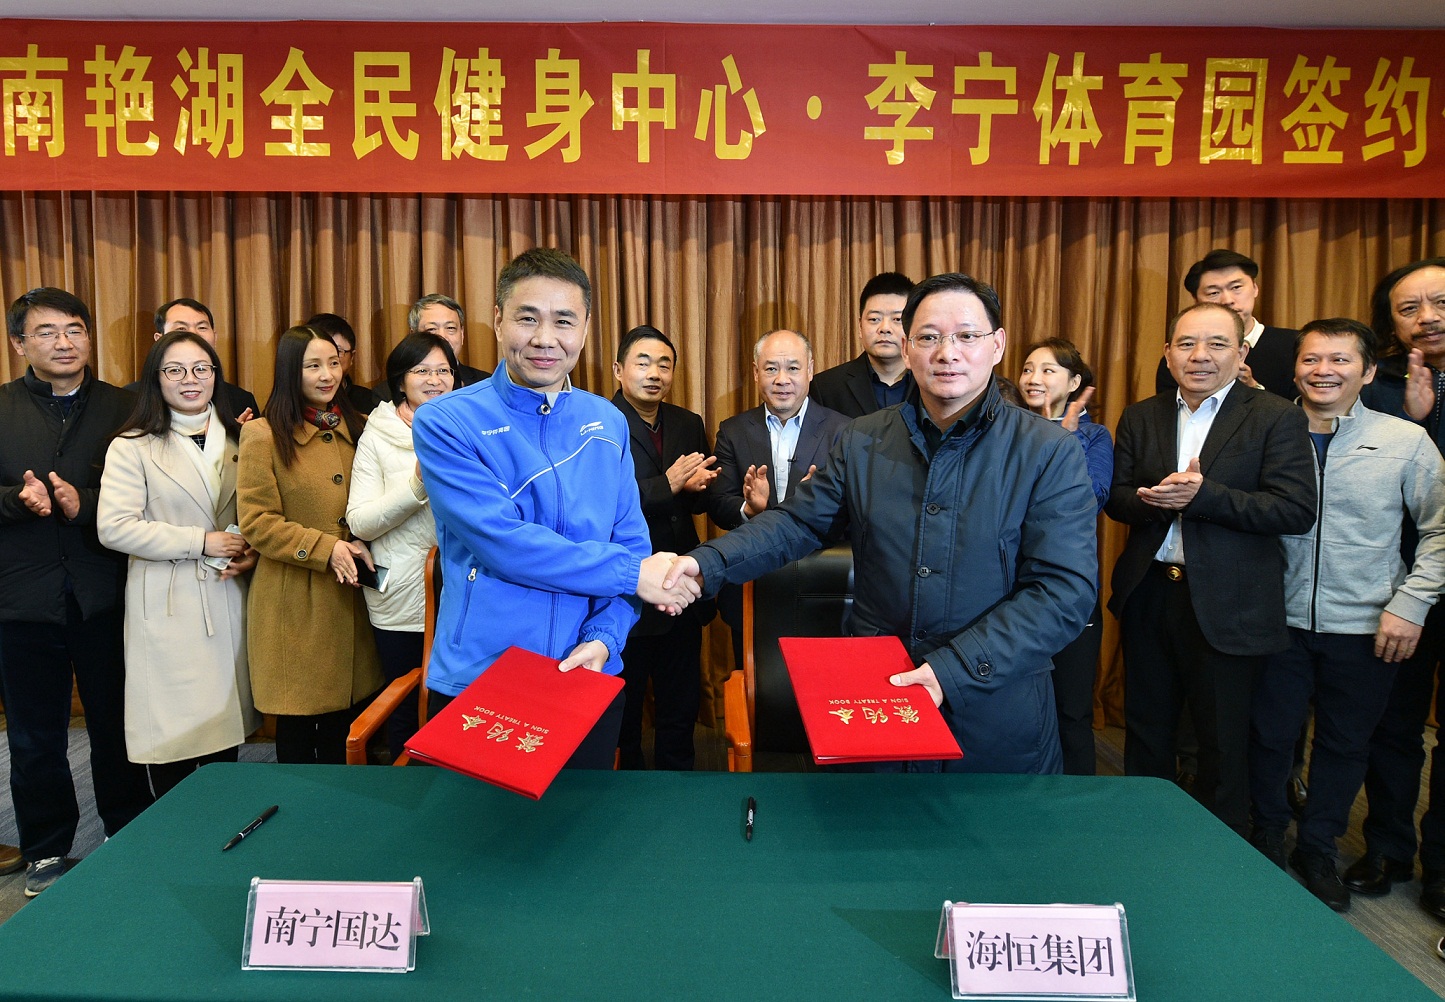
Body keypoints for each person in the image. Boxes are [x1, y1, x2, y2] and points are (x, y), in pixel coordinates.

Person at [668, 273, 1098, 774]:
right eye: (929, 336)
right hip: (880, 696)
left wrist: (951, 670)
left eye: (966, 335)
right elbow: (795, 523)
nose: (948, 352)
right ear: (908, 347)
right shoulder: (862, 439)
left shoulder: (1048, 451)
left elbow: (1063, 591)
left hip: (995, 713)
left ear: (997, 344)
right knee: (869, 822)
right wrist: (704, 565)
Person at [411, 248, 697, 770]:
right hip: (484, 674)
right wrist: (634, 574)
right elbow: (505, 543)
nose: (546, 339)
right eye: (528, 318)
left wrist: (605, 638)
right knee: (475, 821)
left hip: (587, 670)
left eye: (564, 321)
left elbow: (631, 543)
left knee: (583, 818)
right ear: (498, 320)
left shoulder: (607, 421)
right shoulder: (447, 422)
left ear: (585, 329)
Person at [1247, 318, 1445, 912]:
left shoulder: (1405, 440)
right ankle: (1265, 839)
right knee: (1269, 738)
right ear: (1295, 369)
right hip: (1275, 623)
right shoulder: (1265, 430)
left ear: (1367, 371)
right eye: (1311, 359)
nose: (1323, 371)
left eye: (1340, 360)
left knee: (1344, 744)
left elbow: (1439, 530)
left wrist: (1411, 604)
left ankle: (1318, 849)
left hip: (1367, 628)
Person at [1107, 302, 1316, 837]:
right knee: (1147, 729)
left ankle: (1221, 850)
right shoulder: (1140, 414)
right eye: (1186, 343)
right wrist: (1152, 499)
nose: (1199, 355)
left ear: (1241, 352)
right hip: (1151, 592)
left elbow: (1294, 510)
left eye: (1217, 344)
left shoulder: (1275, 416)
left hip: (1231, 602)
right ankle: (1144, 836)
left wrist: (1203, 497)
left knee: (1222, 739)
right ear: (1167, 353)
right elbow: (1117, 497)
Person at [0, 287, 154, 896]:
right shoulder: (1, 408)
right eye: (46, 332)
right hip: (21, 599)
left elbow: (151, 492)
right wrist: (18, 501)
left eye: (74, 329)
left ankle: (127, 831)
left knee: (117, 725)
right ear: (19, 344)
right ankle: (46, 849)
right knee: (34, 735)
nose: (64, 343)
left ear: (89, 336)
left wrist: (82, 503)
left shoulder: (128, 407)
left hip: (105, 592)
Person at [98, 331, 260, 798]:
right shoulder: (132, 445)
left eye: (201, 369)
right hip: (168, 598)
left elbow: (259, 513)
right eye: (175, 370)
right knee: (173, 735)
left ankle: (220, 823)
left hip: (227, 592)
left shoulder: (243, 437)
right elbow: (114, 527)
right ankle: (173, 829)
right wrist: (200, 541)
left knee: (223, 729)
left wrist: (250, 549)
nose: (191, 379)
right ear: (156, 378)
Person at [1345, 258, 1445, 913]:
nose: (1426, 317)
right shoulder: (1374, 386)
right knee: (1393, 725)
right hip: (1399, 585)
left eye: (1439, 302)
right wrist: (1414, 420)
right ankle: (1386, 846)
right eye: (1409, 308)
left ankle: (1442, 867)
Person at [237, 326, 382, 764]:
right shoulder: (263, 434)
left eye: (334, 363)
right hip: (294, 599)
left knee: (347, 726)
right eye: (313, 366)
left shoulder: (360, 427)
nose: (327, 375)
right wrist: (325, 549)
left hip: (351, 596)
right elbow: (257, 522)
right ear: (290, 371)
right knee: (298, 726)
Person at [706, 328, 850, 673]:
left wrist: (817, 503)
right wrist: (749, 509)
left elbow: (857, 512)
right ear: (756, 373)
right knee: (754, 685)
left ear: (810, 370)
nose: (782, 379)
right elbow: (718, 502)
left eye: (793, 368)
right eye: (771, 368)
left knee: (818, 685)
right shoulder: (734, 430)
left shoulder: (844, 430)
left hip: (820, 587)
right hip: (751, 586)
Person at [345, 332, 458, 760]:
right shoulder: (378, 435)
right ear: (400, 380)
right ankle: (406, 790)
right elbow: (360, 521)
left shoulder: (469, 427)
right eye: (422, 370)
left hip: (462, 589)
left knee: (457, 706)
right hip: (401, 594)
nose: (435, 379)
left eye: (443, 370)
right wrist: (416, 485)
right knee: (405, 705)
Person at [610, 325, 718, 770]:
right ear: (619, 370)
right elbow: (598, 504)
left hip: (682, 583)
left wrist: (699, 488)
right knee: (625, 708)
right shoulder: (599, 423)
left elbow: (698, 501)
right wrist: (666, 485)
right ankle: (627, 788)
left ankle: (680, 786)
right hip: (626, 588)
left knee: (680, 703)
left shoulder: (687, 423)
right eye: (643, 362)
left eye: (664, 364)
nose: (654, 373)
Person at [1019, 337, 1113, 774]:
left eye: (1047, 370)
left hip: (1070, 588)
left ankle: (1077, 803)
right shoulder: (1006, 429)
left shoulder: (1093, 436)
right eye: (1027, 369)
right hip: (1011, 587)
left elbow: (1090, 498)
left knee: (1070, 710)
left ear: (1074, 382)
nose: (1033, 378)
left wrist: (1062, 441)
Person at [1156, 250, 1297, 400]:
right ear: (1196, 300)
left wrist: (1253, 388)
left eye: (1236, 287)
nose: (1227, 300)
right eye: (1213, 293)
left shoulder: (1295, 344)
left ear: (1255, 288)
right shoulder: (1183, 357)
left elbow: (1303, 409)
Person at [125, 298, 259, 421]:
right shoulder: (129, 399)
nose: (193, 335)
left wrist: (238, 436)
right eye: (181, 328)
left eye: (202, 328)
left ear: (215, 338)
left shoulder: (241, 401)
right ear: (159, 339)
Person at [810, 271, 915, 417]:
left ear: (913, 326)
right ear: (860, 327)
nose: (885, 328)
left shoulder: (933, 381)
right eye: (874, 319)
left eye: (897, 319)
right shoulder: (825, 387)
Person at [305, 313, 378, 416]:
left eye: (337, 351)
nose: (327, 375)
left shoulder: (368, 402)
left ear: (352, 357)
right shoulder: (289, 405)